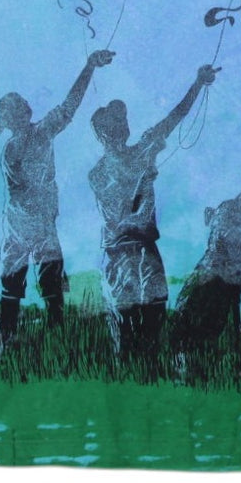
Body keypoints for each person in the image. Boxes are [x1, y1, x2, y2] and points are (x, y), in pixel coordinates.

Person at [88, 63, 219, 372]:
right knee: (126, 325)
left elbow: (173, 118)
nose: (122, 127)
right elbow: (122, 217)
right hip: (120, 254)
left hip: (144, 250)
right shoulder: (99, 173)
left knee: (154, 317)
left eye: (123, 121)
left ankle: (148, 376)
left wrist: (198, 84)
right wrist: (144, 182)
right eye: (116, 123)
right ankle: (130, 380)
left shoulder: (140, 152)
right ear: (103, 133)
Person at [0, 48, 114, 338]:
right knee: (34, 285)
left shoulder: (29, 138)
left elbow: (69, 106)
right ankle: (27, 339)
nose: (25, 108)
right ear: (15, 117)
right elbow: (68, 107)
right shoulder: (30, 139)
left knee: (27, 286)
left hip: (28, 224)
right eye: (19, 108)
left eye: (23, 105)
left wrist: (89, 67)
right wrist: (89, 66)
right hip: (30, 224)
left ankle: (22, 339)